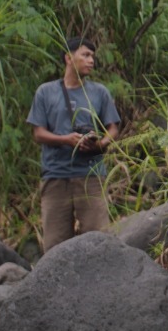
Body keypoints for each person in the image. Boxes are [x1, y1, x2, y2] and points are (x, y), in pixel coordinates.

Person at [27, 37, 121, 251]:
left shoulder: (99, 92)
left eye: (92, 57)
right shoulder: (46, 92)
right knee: (55, 245)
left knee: (100, 240)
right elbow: (38, 133)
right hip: (55, 175)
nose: (91, 61)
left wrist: (101, 144)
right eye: (85, 55)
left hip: (91, 175)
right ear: (69, 58)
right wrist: (65, 140)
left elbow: (113, 128)